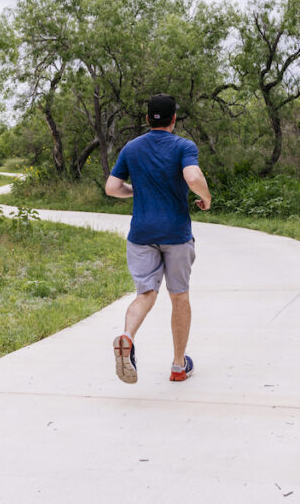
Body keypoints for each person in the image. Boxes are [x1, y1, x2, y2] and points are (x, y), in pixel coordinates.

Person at [105, 93, 212, 383]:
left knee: (145, 294)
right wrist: (206, 197)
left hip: (141, 235)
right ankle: (178, 365)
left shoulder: (132, 148)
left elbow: (112, 188)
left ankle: (127, 337)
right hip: (176, 234)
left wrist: (135, 191)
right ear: (174, 119)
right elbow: (192, 178)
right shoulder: (183, 146)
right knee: (179, 297)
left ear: (148, 119)